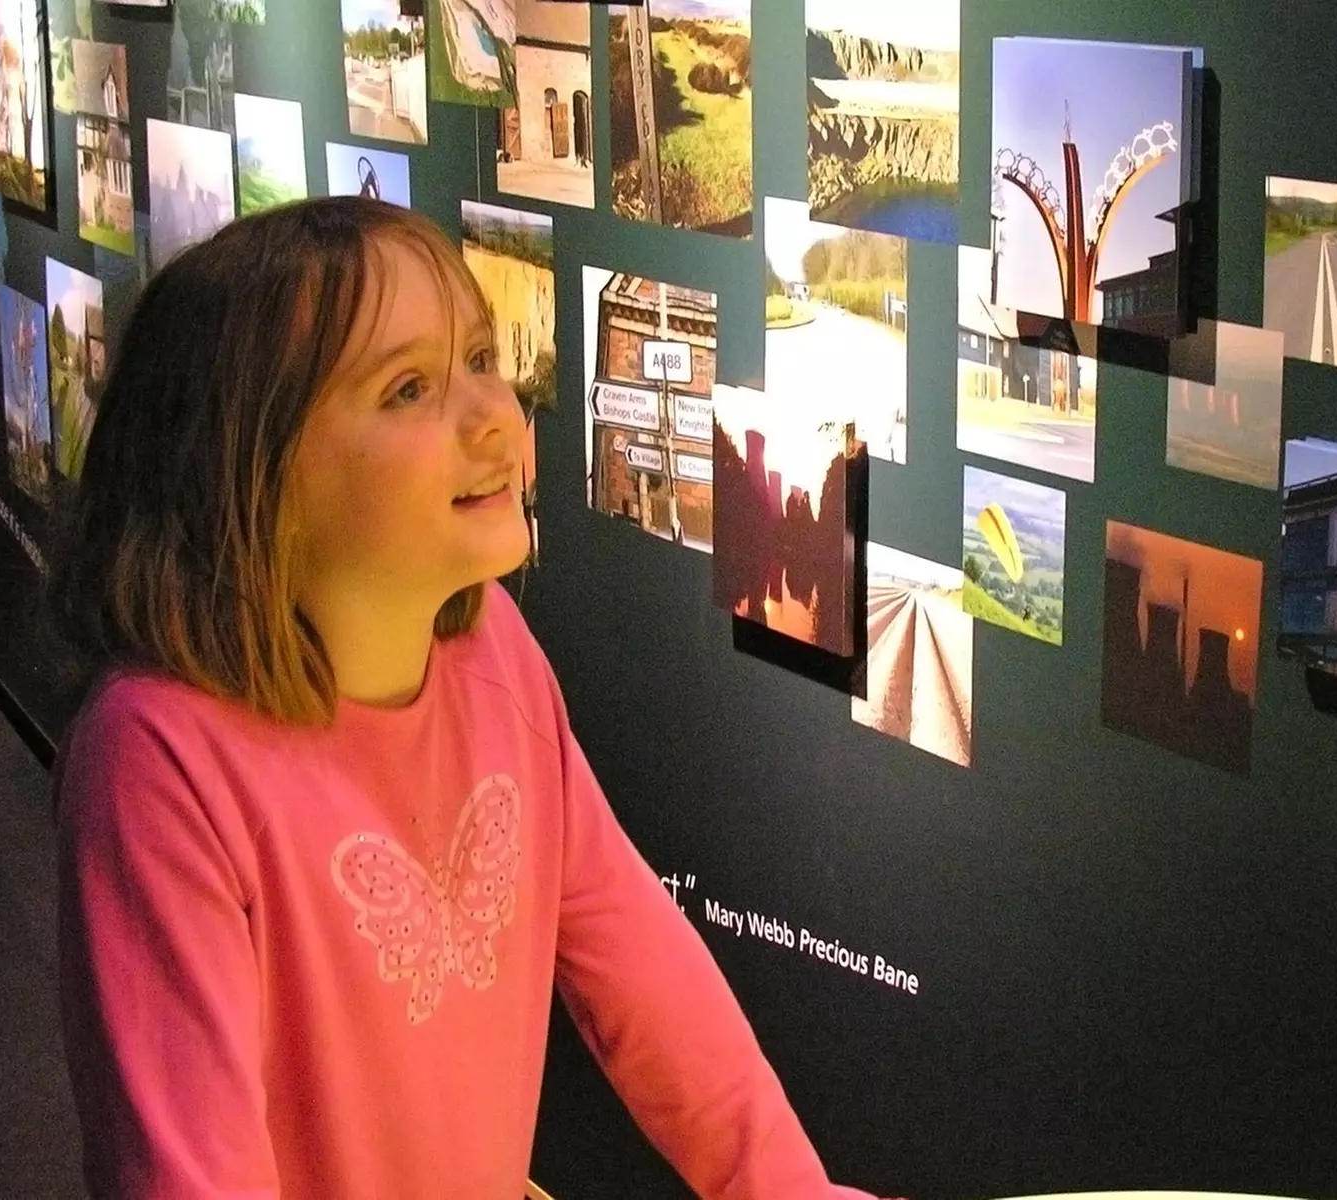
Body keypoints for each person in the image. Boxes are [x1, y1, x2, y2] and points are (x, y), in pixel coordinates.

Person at [44, 197, 883, 1200]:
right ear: (247, 471)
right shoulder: (159, 760)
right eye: (408, 389)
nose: (495, 415)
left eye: (482, 359)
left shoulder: (494, 650)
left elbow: (640, 965)